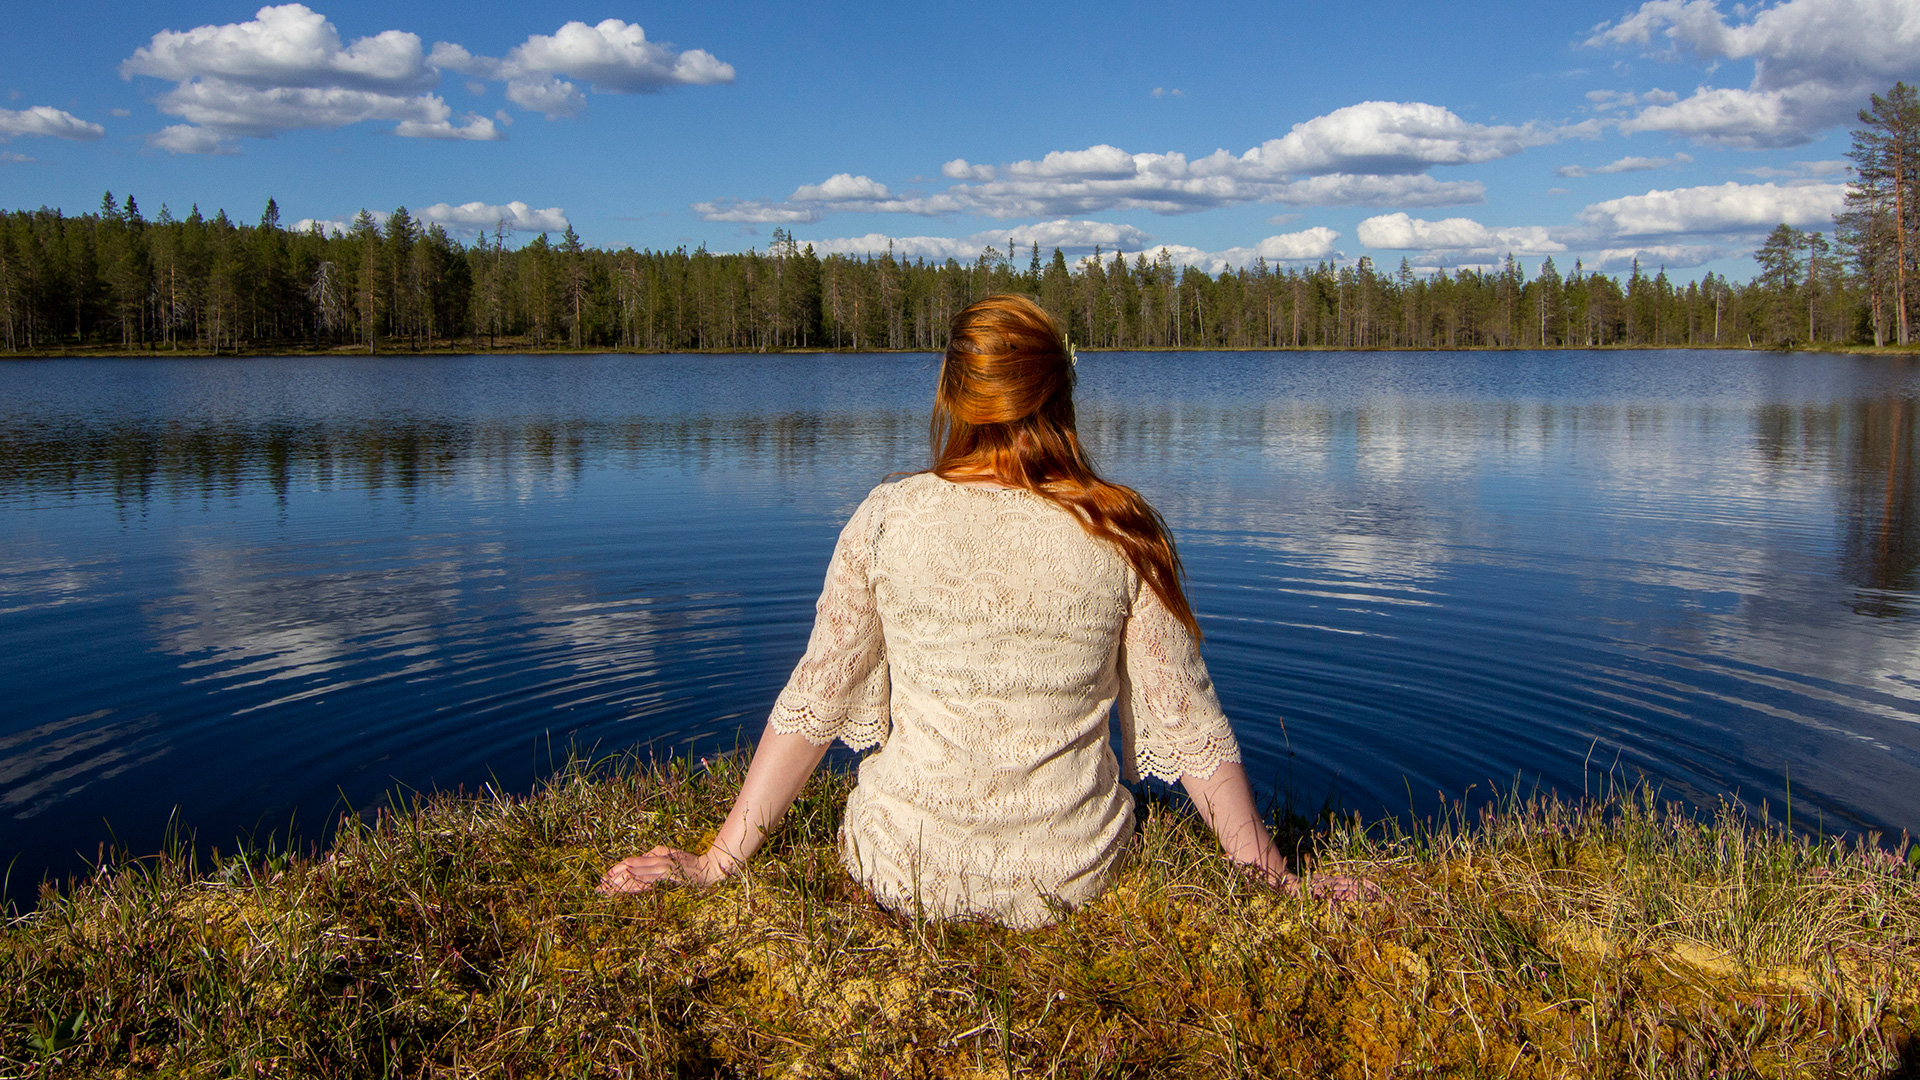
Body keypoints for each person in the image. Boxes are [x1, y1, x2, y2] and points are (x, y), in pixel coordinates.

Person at [600, 294, 1364, 925]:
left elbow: (815, 696)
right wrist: (1274, 878)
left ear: (954, 396)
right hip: (1069, 873)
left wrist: (718, 862)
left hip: (903, 866)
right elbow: (1191, 726)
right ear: (1062, 392)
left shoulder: (886, 517)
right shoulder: (1122, 529)